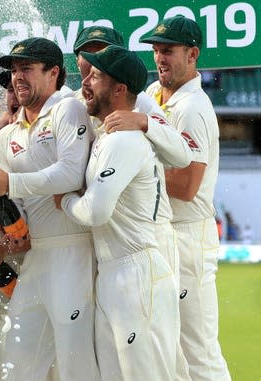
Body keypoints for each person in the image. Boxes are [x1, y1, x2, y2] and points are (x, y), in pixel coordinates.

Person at [73, 26, 193, 381]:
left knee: (165, 367)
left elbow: (183, 155)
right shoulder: (77, 103)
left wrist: (143, 123)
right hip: (111, 263)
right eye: (87, 56)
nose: (88, 72)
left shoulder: (138, 107)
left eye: (99, 62)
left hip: (142, 253)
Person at [0, 37, 99, 381]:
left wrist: (10, 185)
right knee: (15, 365)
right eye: (14, 70)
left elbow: (70, 173)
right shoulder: (6, 136)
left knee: (77, 367)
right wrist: (5, 239)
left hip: (73, 250)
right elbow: (14, 211)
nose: (18, 77)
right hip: (35, 259)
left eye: (27, 68)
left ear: (54, 73)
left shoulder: (67, 108)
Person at [140, 16, 232, 381]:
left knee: (198, 352)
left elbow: (186, 185)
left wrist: (133, 173)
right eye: (157, 50)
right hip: (163, 233)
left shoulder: (194, 107)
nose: (160, 58)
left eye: (169, 51)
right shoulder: (151, 94)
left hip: (188, 235)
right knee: (170, 352)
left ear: (193, 54)